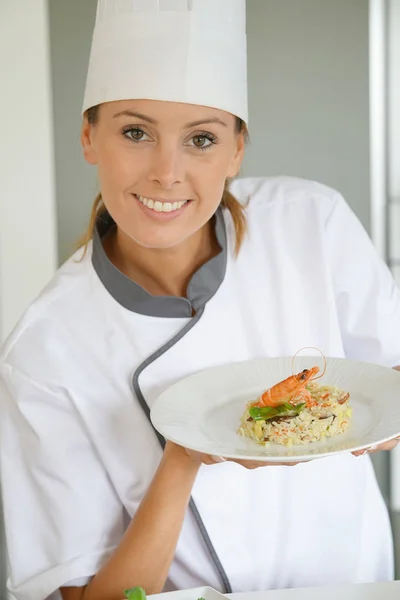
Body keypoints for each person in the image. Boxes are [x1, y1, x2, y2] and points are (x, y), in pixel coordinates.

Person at [1, 1, 400, 599]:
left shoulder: (311, 223)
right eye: (136, 132)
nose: (167, 172)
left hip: (356, 584)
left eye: (201, 139)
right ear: (89, 136)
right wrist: (184, 455)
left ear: (236, 150)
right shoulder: (45, 350)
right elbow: (88, 597)